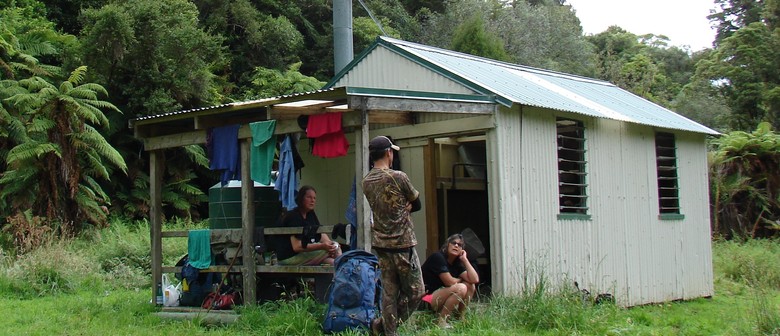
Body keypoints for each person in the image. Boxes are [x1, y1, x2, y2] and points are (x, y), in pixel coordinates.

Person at [362, 136, 425, 336]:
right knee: (416, 292)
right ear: (389, 153)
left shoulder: (366, 181)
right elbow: (417, 203)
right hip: (403, 244)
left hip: (381, 244)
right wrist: (405, 207)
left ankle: (386, 331)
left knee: (389, 294)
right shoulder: (398, 177)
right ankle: (383, 326)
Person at [421, 233, 480, 328]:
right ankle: (442, 321)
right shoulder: (438, 257)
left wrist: (465, 260)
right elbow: (449, 281)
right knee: (461, 287)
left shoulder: (456, 263)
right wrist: (460, 279)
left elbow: (474, 279)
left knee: (470, 285)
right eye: (453, 243)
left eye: (460, 245)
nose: (456, 246)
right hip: (425, 299)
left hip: (439, 297)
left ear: (462, 250)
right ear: (447, 244)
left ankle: (459, 317)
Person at [275, 185, 342, 266]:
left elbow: (320, 233)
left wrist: (330, 243)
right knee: (330, 251)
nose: (312, 200)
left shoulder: (310, 214)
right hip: (289, 257)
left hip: (303, 255)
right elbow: (297, 247)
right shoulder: (293, 216)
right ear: (301, 199)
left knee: (333, 257)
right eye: (309, 197)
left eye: (314, 198)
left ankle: (342, 272)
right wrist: (323, 246)